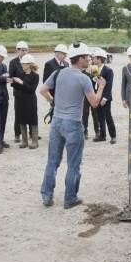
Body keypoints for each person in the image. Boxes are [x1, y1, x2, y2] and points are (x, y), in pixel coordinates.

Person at [39, 42, 106, 209]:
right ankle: (70, 198)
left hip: (56, 122)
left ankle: (47, 195)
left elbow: (42, 90)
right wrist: (102, 87)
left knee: (52, 161)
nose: (90, 60)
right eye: (87, 57)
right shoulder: (83, 78)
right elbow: (95, 103)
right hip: (73, 124)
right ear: (80, 59)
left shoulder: (58, 72)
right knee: (73, 163)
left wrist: (53, 101)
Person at [12, 54, 39, 149]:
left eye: (23, 64)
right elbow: (18, 87)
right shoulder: (21, 74)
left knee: (33, 119)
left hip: (30, 101)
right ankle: (24, 141)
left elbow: (32, 89)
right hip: (20, 100)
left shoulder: (35, 76)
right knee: (21, 119)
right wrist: (13, 83)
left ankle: (35, 141)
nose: (22, 65)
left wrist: (22, 82)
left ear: (29, 65)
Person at [92, 48, 116, 144]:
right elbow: (94, 83)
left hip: (105, 98)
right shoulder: (95, 69)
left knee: (107, 116)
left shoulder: (108, 70)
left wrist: (105, 98)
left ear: (99, 59)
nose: (93, 59)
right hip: (97, 96)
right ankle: (102, 135)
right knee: (99, 117)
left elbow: (109, 85)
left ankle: (113, 136)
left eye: (94, 58)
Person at [9, 40, 28, 142]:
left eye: (26, 50)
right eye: (22, 50)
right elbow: (11, 78)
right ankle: (17, 134)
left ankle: (30, 133)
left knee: (30, 112)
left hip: (29, 91)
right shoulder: (13, 62)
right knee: (18, 114)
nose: (24, 52)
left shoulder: (30, 61)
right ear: (17, 50)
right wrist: (19, 83)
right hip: (18, 92)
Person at [82, 49, 100, 139]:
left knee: (95, 114)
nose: (89, 60)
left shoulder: (95, 69)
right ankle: (85, 132)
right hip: (85, 96)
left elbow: (98, 80)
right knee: (84, 114)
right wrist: (86, 73)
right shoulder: (82, 71)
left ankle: (97, 131)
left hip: (93, 94)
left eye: (90, 59)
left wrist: (94, 75)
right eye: (88, 58)